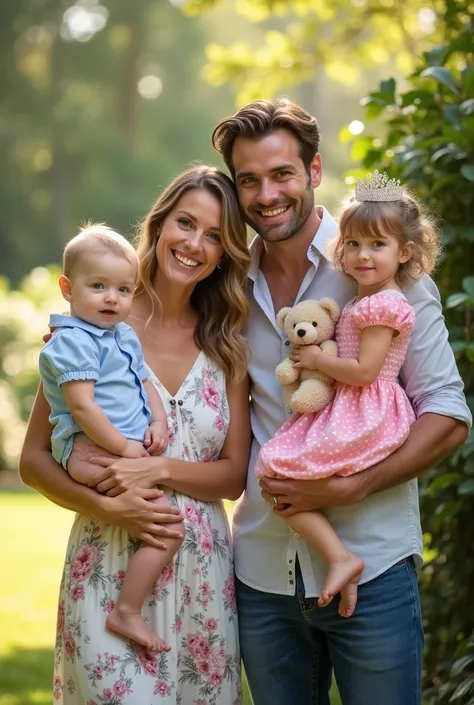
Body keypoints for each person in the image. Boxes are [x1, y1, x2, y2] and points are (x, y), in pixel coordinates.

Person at [211, 99, 471, 705]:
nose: (266, 194)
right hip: (262, 574)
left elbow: (448, 414)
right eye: (248, 180)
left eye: (282, 174)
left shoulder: (382, 269)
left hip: (373, 563)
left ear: (315, 170)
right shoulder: (225, 286)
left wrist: (355, 487)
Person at [20, 165, 251, 705]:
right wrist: (109, 509)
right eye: (185, 222)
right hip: (107, 562)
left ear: (225, 251)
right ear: (159, 223)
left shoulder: (227, 342)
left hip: (201, 574)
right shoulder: (95, 323)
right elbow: (34, 459)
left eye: (214, 235)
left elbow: (234, 475)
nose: (195, 244)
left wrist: (159, 468)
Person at [255, 172, 442, 618]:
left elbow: (363, 372)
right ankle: (337, 555)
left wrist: (317, 362)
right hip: (348, 404)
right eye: (354, 244)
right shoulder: (362, 299)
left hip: (366, 407)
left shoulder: (386, 304)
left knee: (279, 470)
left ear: (405, 252)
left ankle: (341, 556)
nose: (362, 255)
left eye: (377, 245)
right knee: (278, 474)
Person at [39, 223, 183, 652]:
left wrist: (157, 423)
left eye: (123, 290)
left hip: (120, 449)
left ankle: (128, 597)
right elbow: (82, 408)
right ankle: (126, 611)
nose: (111, 298)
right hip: (89, 450)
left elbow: (144, 383)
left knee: (151, 520)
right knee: (170, 530)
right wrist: (125, 449)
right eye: (98, 286)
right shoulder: (72, 342)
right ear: (67, 288)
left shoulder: (121, 335)